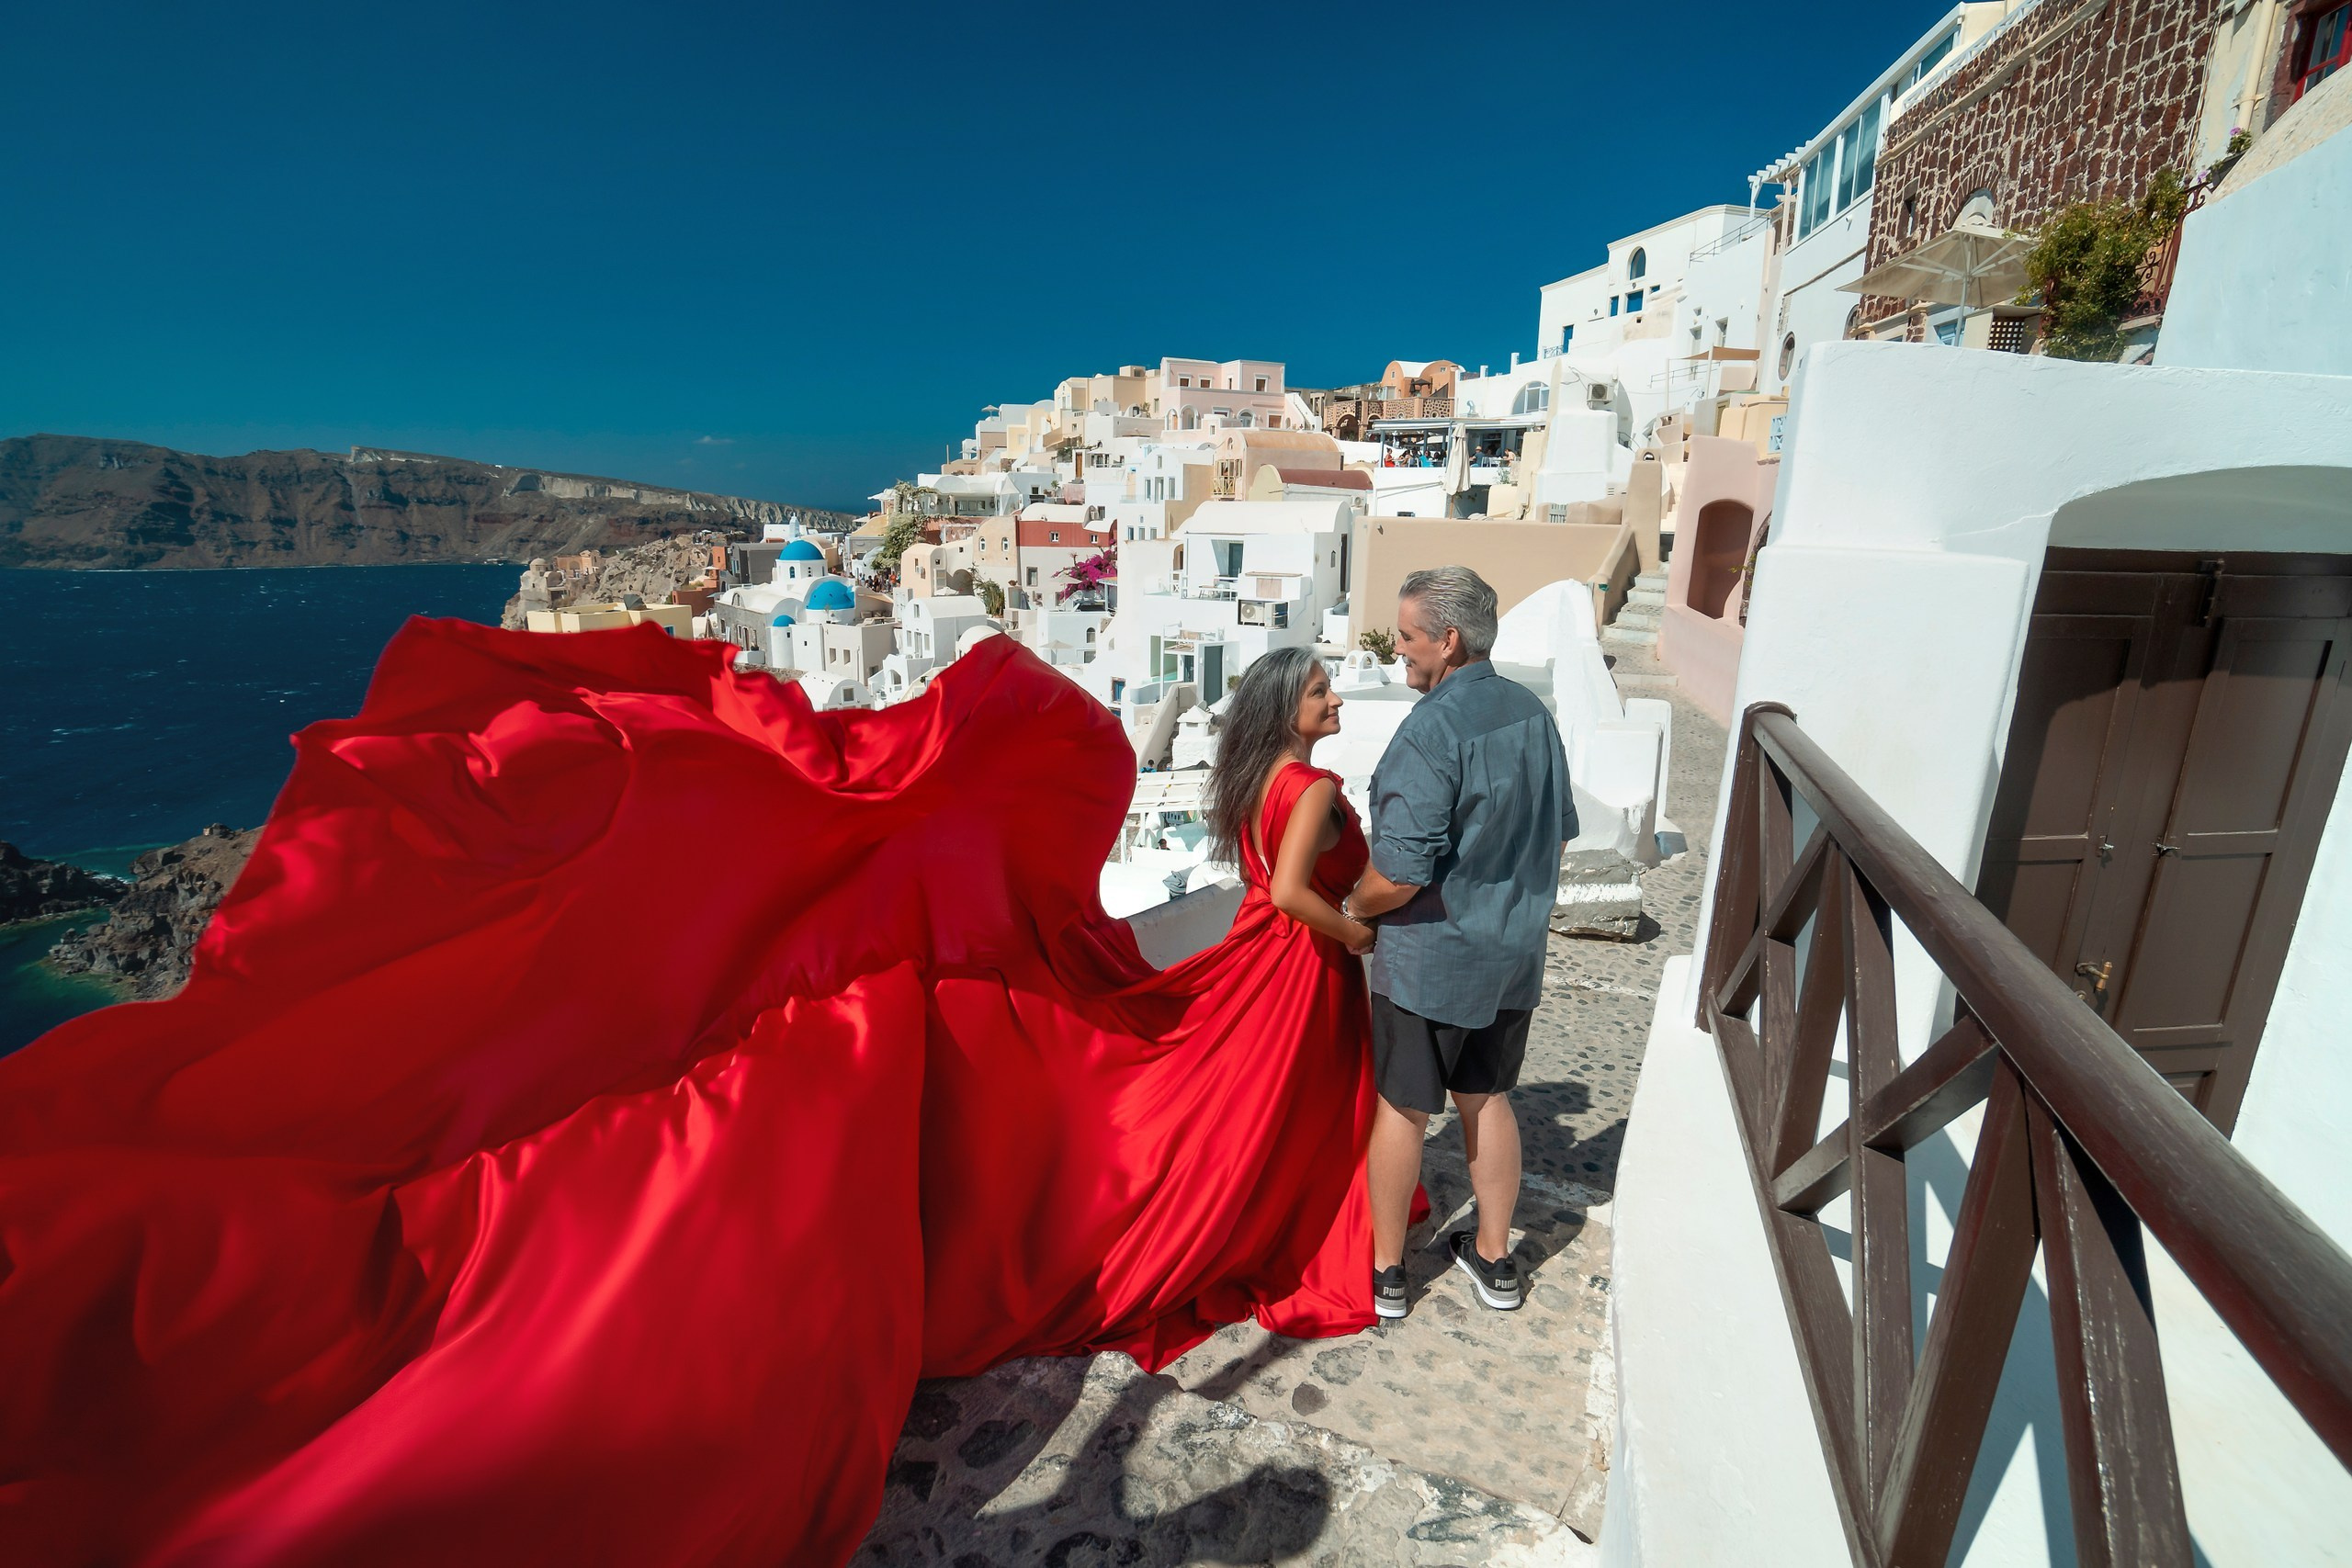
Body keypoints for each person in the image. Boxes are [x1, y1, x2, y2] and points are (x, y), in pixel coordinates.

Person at [0, 625, 1387, 1568]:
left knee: (445, 1236)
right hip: (828, 1049)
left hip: (783, 1040)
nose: (1333, 702)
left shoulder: (835, 925)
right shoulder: (875, 952)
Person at [1345, 567, 1576, 1320]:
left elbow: (1402, 873)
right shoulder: (1531, 714)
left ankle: (1387, 1274)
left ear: (1448, 640)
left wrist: (1355, 905)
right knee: (1488, 1098)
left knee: (1404, 1108)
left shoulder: (1432, 729)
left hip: (1433, 960)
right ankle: (1495, 1257)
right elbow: (1558, 828)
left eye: (1409, 637)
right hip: (1510, 954)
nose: (1400, 652)